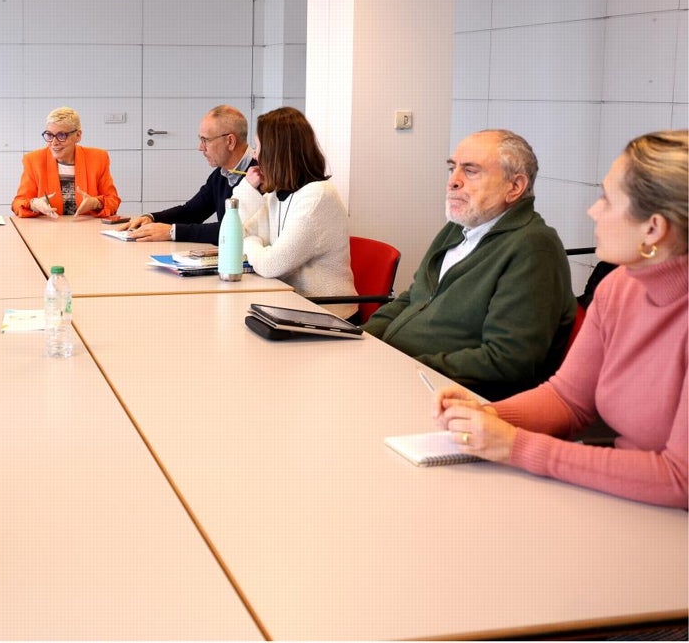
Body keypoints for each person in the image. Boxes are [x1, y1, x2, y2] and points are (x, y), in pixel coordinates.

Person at [434, 130, 688, 509]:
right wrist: (484, 415)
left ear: (653, 228)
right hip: (627, 503)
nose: (593, 211)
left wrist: (516, 446)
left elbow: (679, 480)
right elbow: (569, 400)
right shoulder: (619, 286)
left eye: (606, 199)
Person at [364, 129, 576, 400]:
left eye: (471, 171)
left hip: (450, 398)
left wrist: (405, 366)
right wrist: (362, 340)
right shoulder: (459, 227)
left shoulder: (533, 247)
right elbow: (411, 299)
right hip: (396, 374)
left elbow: (508, 360)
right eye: (452, 169)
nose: (453, 182)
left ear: (515, 187)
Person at [232, 107, 357, 315]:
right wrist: (247, 188)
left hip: (327, 314)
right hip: (290, 305)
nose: (255, 154)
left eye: (259, 146)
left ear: (276, 152)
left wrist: (252, 242)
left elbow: (272, 264)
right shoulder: (277, 194)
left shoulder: (317, 198)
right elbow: (233, 232)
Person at [123, 104, 254, 244]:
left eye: (206, 140)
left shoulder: (260, 176)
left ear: (230, 141)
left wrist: (172, 232)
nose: (200, 147)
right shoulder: (221, 174)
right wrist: (151, 218)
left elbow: (238, 230)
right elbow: (192, 212)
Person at [11, 106, 121, 218]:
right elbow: (18, 203)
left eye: (61, 135)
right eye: (49, 135)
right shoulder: (34, 160)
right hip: (48, 229)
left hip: (87, 228)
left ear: (78, 136)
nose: (54, 142)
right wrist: (33, 204)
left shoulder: (98, 158)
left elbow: (113, 201)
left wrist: (96, 203)